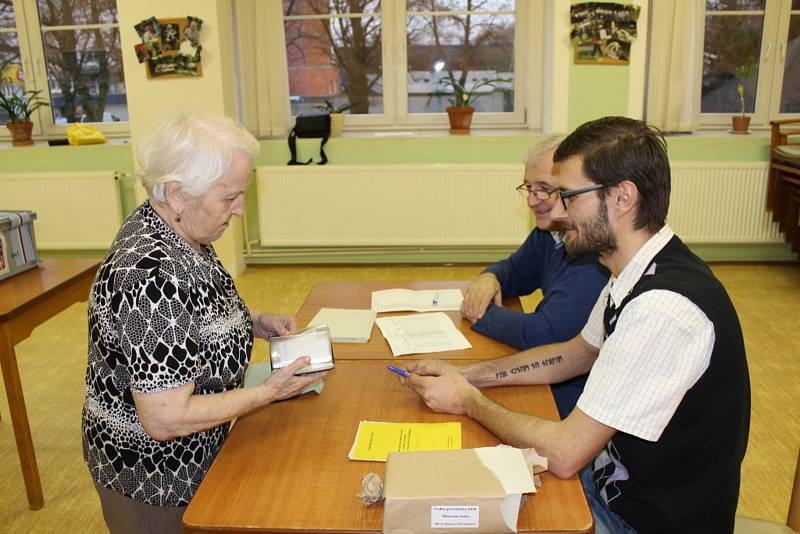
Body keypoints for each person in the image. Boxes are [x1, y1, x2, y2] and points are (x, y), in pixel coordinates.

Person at [401, 116, 750, 533]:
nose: (559, 212)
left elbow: (565, 454)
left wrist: (468, 401)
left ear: (622, 198)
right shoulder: (633, 272)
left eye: (569, 196)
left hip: (638, 522)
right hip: (609, 489)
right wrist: (470, 375)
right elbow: (574, 354)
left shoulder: (662, 308)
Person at [81, 112, 327, 533]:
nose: (238, 210)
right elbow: (165, 419)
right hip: (156, 479)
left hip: (202, 451)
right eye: (229, 197)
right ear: (177, 194)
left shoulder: (183, 228)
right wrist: (268, 392)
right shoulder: (150, 274)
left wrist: (252, 322)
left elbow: (192, 314)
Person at [461, 135, 608, 418]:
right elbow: (516, 271)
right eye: (529, 188)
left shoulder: (591, 252)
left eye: (544, 189)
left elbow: (544, 335)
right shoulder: (550, 232)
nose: (531, 200)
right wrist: (489, 278)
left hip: (571, 403)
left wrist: (480, 313)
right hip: (547, 380)